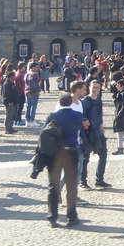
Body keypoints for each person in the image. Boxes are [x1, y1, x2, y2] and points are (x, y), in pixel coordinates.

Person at [45, 94, 87, 227]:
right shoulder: (77, 115)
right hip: (70, 152)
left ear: (59, 102)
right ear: (71, 102)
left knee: (53, 186)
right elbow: (83, 127)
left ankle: (52, 218)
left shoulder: (52, 116)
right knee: (71, 185)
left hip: (54, 154)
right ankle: (71, 217)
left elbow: (44, 133)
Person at [80, 80, 112, 188]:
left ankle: (99, 180)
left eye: (97, 87)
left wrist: (102, 129)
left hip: (98, 132)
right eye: (93, 87)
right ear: (89, 87)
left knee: (103, 155)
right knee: (85, 158)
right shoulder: (85, 101)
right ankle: (83, 182)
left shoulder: (99, 100)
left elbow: (99, 116)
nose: (95, 89)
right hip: (88, 133)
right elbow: (81, 116)